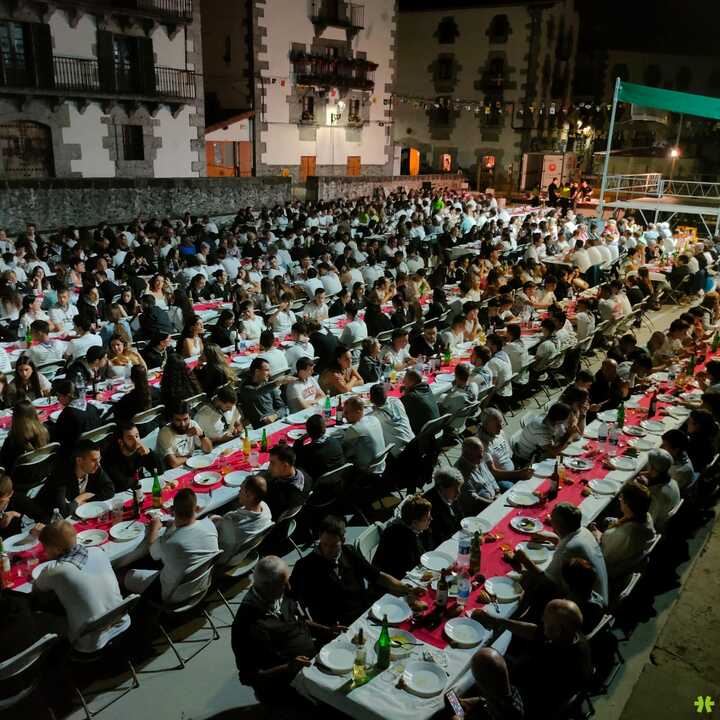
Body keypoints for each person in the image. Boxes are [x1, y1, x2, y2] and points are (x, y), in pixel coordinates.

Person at [231, 556, 334, 704]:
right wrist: (289, 668)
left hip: (310, 665)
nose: (289, 588)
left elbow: (299, 622)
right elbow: (249, 677)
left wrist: (327, 630)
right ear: (266, 587)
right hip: (285, 688)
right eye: (283, 584)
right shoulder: (246, 626)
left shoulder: (279, 595)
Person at [291, 515, 424, 627]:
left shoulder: (349, 552)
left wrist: (407, 589)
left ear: (343, 540)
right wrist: (321, 629)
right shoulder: (304, 567)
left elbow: (377, 576)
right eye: (324, 544)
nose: (327, 550)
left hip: (362, 614)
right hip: (332, 626)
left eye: (333, 546)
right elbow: (292, 605)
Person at [472, 600, 592, 715]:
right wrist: (498, 620)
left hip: (526, 703)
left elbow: (513, 705)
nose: (542, 620)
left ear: (558, 630)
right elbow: (536, 632)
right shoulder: (571, 636)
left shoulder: (556, 666)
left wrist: (483, 700)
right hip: (517, 687)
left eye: (546, 621)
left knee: (480, 670)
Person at [33, 520, 131, 652]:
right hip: (122, 621)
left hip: (89, 641)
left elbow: (36, 590)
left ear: (57, 549)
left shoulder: (55, 570)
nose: (44, 551)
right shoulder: (98, 551)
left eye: (45, 547)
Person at [125, 489, 219, 603]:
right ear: (197, 508)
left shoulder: (170, 542)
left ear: (173, 510)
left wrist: (154, 528)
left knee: (122, 574)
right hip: (201, 586)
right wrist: (173, 525)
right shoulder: (210, 525)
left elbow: (153, 554)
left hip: (173, 596)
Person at [514, 502, 609, 605]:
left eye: (552, 519)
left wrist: (525, 560)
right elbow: (568, 541)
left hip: (585, 605)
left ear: (559, 524)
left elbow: (547, 582)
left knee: (529, 582)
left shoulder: (569, 549)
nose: (550, 520)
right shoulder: (583, 531)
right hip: (600, 594)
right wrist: (552, 538)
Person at [590, 481, 656, 582]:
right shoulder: (646, 516)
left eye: (621, 498)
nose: (620, 500)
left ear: (628, 505)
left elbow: (603, 556)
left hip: (607, 570)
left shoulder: (624, 535)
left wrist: (595, 534)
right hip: (626, 553)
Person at [36, 440, 114, 518]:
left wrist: (86, 501)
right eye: (93, 460)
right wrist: (81, 498)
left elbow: (110, 490)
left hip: (73, 512)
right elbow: (63, 512)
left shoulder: (95, 468)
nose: (98, 464)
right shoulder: (61, 476)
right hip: (45, 516)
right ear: (79, 460)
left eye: (99, 459)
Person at [212, 474, 273, 565]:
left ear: (248, 495)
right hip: (244, 551)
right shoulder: (266, 509)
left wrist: (211, 518)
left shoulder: (232, 521)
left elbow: (214, 530)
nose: (239, 492)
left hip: (225, 559)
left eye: (241, 489)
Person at [452, 647, 525, 720]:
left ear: (482, 685)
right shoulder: (510, 691)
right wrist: (480, 701)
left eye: (477, 679)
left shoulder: (506, 715)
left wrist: (458, 718)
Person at [372, 494, 433, 580]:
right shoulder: (405, 539)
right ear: (415, 522)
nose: (431, 519)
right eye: (427, 519)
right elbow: (412, 567)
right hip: (393, 581)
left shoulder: (401, 527)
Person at [101, 422, 163, 492]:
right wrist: (139, 481)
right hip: (123, 494)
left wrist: (149, 453)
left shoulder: (140, 451)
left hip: (140, 489)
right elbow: (122, 484)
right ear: (121, 442)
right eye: (130, 438)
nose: (136, 441)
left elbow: (159, 471)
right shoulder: (110, 458)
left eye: (137, 436)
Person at [478, 408, 534, 483]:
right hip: (501, 479)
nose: (501, 427)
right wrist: (518, 474)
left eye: (501, 423)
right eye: (497, 425)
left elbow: (507, 456)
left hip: (514, 470)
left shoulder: (500, 432)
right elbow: (494, 472)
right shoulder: (482, 444)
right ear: (486, 425)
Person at [510, 402, 571, 466]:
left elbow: (561, 435)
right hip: (527, 459)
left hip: (537, 450)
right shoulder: (542, 430)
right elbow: (553, 453)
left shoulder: (548, 417)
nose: (568, 420)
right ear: (559, 420)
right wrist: (570, 437)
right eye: (568, 418)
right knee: (563, 463)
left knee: (566, 454)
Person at [156, 400, 214, 469]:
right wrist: (190, 457)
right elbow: (173, 463)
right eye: (178, 420)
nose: (182, 424)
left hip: (189, 464)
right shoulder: (165, 432)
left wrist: (202, 436)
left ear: (190, 417)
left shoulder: (193, 424)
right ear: (171, 419)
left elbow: (208, 450)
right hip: (170, 469)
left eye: (185, 419)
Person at [238, 357, 292, 427]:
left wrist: (275, 416)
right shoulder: (245, 388)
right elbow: (257, 392)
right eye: (266, 370)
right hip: (261, 426)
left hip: (276, 420)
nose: (269, 374)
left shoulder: (269, 384)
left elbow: (283, 407)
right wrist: (277, 383)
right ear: (257, 371)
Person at [51, 379, 103, 451]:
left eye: (59, 396)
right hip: (97, 444)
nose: (58, 399)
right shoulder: (91, 407)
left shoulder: (67, 414)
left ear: (67, 396)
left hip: (79, 450)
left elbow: (58, 436)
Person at [0, 399, 49, 473]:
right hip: (42, 473)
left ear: (15, 418)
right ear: (35, 414)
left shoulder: (12, 441)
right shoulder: (45, 431)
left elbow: (3, 465)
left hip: (19, 477)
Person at [456, 437, 503, 514]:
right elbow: (474, 499)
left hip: (494, 500)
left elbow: (492, 480)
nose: (482, 456)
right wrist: (493, 503)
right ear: (467, 455)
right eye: (478, 455)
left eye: (482, 452)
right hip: (481, 509)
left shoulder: (479, 459)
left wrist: (498, 493)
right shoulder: (460, 472)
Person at [341, 395, 387, 475]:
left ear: (358, 412)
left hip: (367, 470)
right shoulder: (374, 419)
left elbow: (343, 449)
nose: (344, 416)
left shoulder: (354, 429)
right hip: (381, 464)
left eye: (346, 413)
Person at [292, 413, 345, 481]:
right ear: (324, 429)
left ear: (308, 431)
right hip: (340, 478)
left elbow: (296, 459)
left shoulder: (307, 451)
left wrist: (300, 439)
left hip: (319, 483)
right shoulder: (335, 442)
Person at [265, 444, 312, 519]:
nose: (269, 467)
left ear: (285, 466)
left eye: (272, 463)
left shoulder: (283, 496)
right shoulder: (304, 474)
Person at [369, 382, 415, 458]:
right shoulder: (396, 401)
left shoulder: (373, 417)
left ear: (371, 400)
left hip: (400, 456)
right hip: (414, 443)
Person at [640, 448, 680, 531]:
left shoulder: (656, 496)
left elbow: (648, 523)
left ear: (652, 468)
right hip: (664, 515)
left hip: (654, 527)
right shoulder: (673, 482)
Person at [422, 467, 464, 545]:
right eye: (455, 489)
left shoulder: (450, 495)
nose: (458, 492)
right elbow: (438, 537)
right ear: (442, 488)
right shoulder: (429, 507)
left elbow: (461, 518)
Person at [440, 362, 479, 432]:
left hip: (451, 423)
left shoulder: (452, 396)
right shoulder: (474, 386)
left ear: (456, 376)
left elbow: (441, 412)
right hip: (463, 419)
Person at [400, 367, 440, 434]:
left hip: (424, 433)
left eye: (405, 381)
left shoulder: (412, 396)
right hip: (437, 427)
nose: (403, 382)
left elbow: (399, 404)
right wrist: (408, 388)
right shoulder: (427, 388)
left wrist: (407, 391)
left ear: (412, 382)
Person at [660, 428, 696, 493]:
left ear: (676, 450)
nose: (661, 447)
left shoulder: (681, 472)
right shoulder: (679, 455)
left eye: (665, 445)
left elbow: (667, 491)